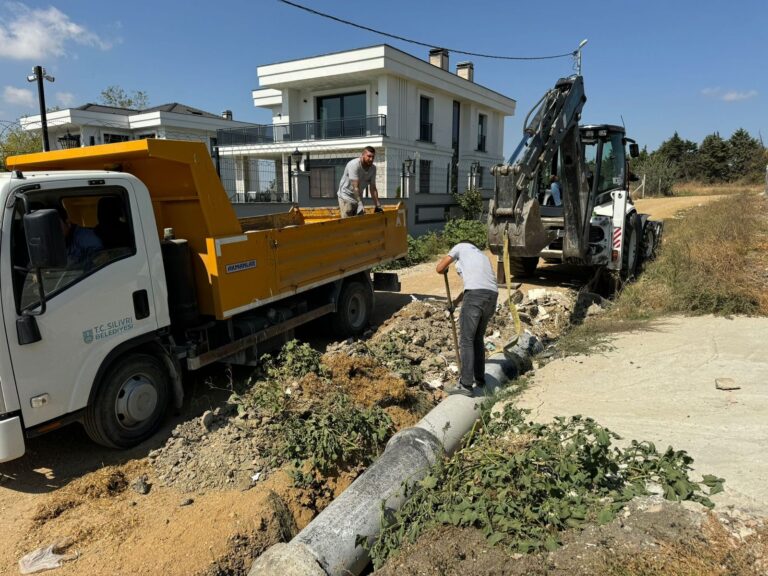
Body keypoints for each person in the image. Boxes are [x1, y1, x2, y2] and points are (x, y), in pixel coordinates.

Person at [436, 241, 498, 396]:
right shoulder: (482, 256)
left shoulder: (460, 247)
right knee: (477, 338)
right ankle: (480, 379)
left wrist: (445, 268)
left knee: (466, 340)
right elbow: (476, 287)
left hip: (476, 296)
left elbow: (439, 268)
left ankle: (466, 384)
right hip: (492, 296)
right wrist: (455, 304)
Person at [337, 146, 383, 217]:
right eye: (369, 156)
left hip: (358, 197)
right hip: (346, 196)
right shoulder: (354, 165)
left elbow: (373, 188)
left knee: (360, 224)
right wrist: (360, 204)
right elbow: (355, 187)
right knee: (347, 223)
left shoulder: (373, 168)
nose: (371, 159)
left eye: (373, 157)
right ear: (363, 155)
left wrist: (378, 205)